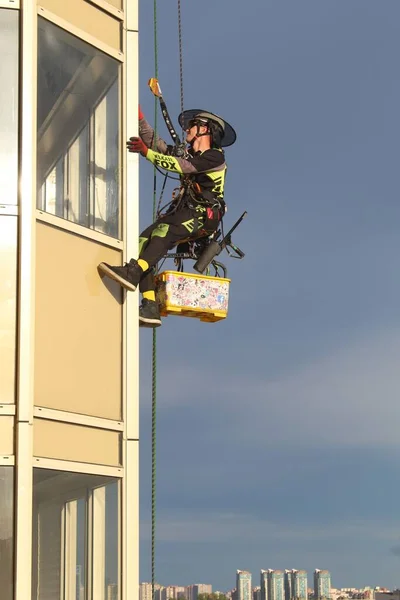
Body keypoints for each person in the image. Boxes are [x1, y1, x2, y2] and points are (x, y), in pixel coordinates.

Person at [98, 106, 237, 328]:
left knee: (164, 232)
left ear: (205, 129)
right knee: (143, 241)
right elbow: (159, 146)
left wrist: (146, 153)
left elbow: (183, 166)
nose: (187, 130)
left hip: (203, 215)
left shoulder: (214, 157)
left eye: (192, 125)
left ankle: (133, 272)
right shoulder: (190, 154)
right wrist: (141, 120)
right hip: (185, 211)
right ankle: (150, 305)